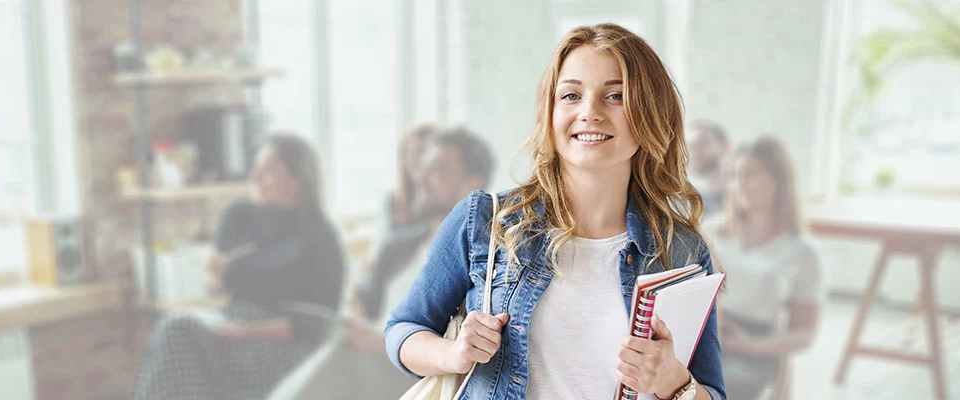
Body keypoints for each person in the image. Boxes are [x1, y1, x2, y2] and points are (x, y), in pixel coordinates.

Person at [384, 24, 727, 400]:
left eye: (615, 95)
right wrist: (453, 354)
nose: (589, 112)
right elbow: (404, 330)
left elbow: (712, 392)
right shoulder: (485, 222)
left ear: (649, 112)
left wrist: (676, 384)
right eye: (571, 95)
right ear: (550, 111)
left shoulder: (681, 249)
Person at [274, 127, 496, 399]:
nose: (420, 179)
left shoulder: (487, 260)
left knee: (337, 366)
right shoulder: (400, 246)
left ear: (470, 185)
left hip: (411, 372)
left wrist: (376, 341)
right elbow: (366, 303)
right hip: (366, 353)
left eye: (436, 170)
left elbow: (461, 348)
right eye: (422, 169)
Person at [133, 134, 346, 400]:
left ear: (297, 181)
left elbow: (319, 324)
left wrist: (246, 331)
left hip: (281, 340)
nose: (255, 177)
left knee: (181, 332)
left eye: (267, 170)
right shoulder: (239, 216)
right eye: (256, 168)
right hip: (231, 320)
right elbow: (214, 287)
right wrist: (213, 272)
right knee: (174, 329)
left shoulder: (321, 238)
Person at [707, 136, 823, 400]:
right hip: (706, 332)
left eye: (751, 174)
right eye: (734, 175)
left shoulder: (802, 252)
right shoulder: (711, 232)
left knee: (724, 389)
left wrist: (752, 346)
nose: (740, 185)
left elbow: (804, 332)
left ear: (778, 181)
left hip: (754, 343)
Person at [688, 120, 730, 215]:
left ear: (725, 147)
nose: (694, 151)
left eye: (701, 143)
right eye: (690, 146)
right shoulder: (690, 203)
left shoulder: (745, 197)